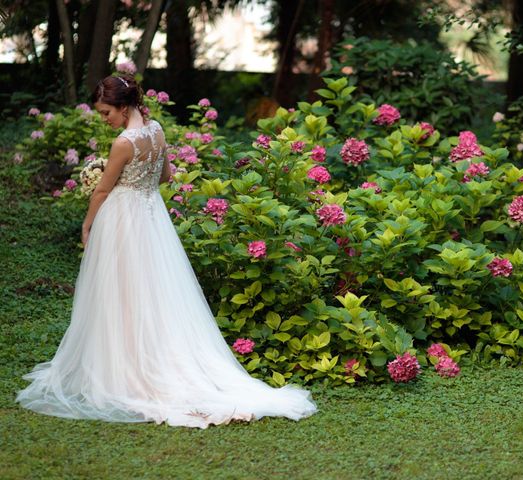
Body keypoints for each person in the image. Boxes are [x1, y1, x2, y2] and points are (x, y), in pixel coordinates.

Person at [16, 74, 317, 428]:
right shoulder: (156, 131)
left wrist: (87, 224)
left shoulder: (123, 143)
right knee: (152, 292)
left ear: (123, 107)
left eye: (105, 112)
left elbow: (101, 192)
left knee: (123, 293)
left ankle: (127, 369)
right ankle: (139, 360)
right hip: (151, 218)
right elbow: (165, 177)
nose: (104, 120)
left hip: (123, 220)